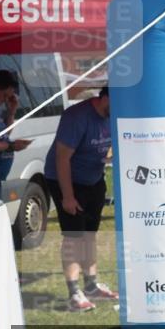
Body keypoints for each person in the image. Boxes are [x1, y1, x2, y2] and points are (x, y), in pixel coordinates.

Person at [44, 86, 118, 312]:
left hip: (93, 180)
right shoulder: (77, 116)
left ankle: (92, 285)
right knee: (74, 237)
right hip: (65, 180)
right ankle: (74, 291)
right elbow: (62, 158)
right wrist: (67, 196)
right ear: (104, 97)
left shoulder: (112, 115)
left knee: (89, 235)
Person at [0, 70, 31, 202]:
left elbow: (3, 135)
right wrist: (10, 147)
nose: (5, 100)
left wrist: (11, 112)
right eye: (4, 95)